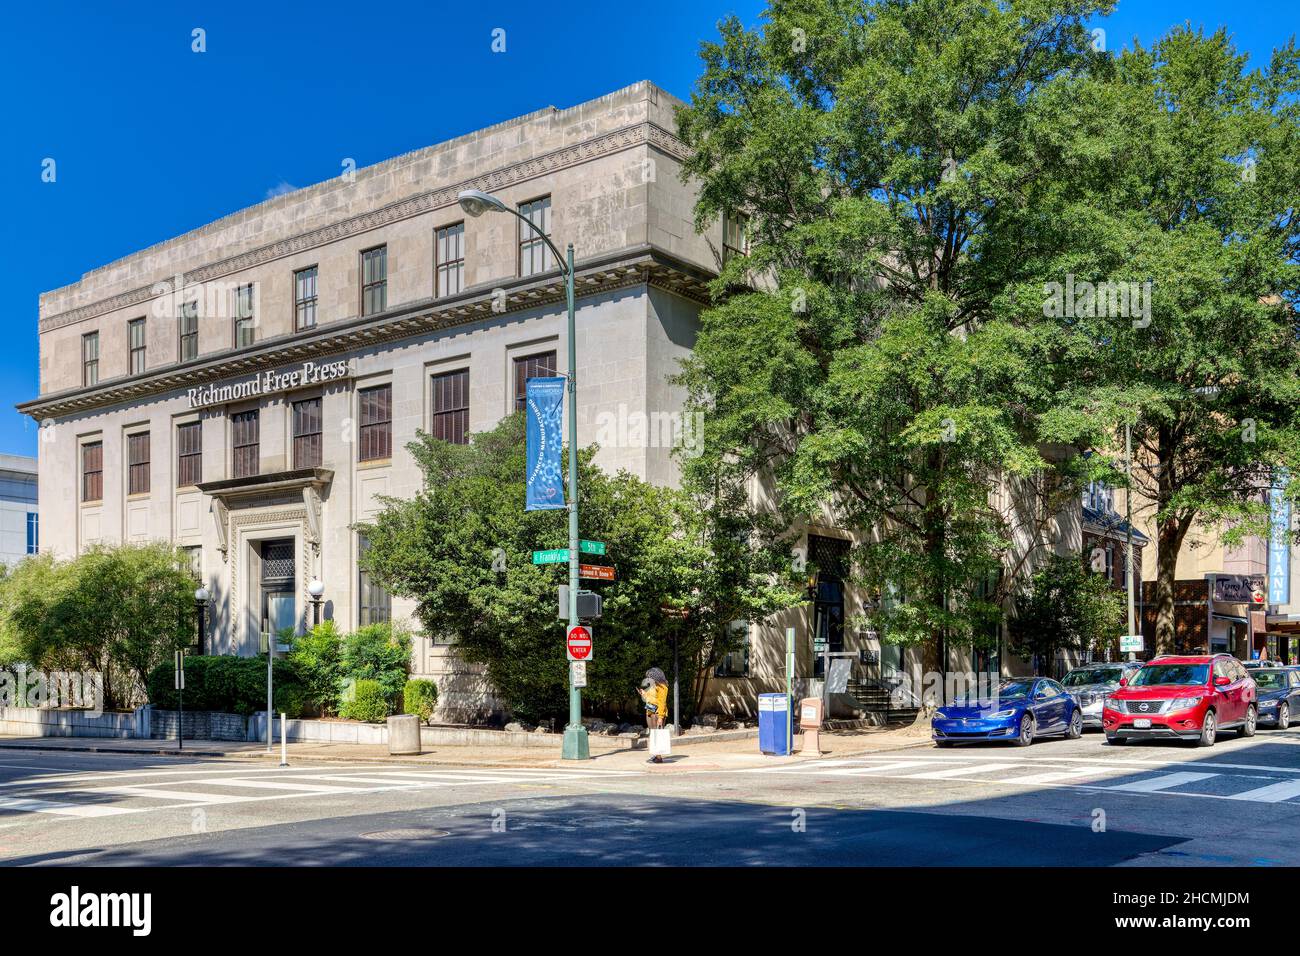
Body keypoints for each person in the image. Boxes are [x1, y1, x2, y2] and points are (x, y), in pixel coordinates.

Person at [637, 667, 670, 763]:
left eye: (650, 677)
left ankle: (659, 757)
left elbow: (662, 703)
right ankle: (656, 755)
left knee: (658, 734)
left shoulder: (663, 687)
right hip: (650, 712)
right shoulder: (652, 686)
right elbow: (650, 698)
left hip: (657, 713)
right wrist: (643, 694)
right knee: (653, 734)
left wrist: (660, 717)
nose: (648, 679)